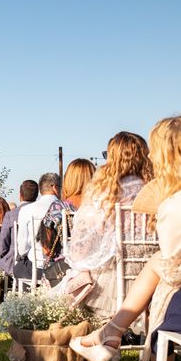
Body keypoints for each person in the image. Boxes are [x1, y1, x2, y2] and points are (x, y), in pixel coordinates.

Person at [71, 115, 181, 361]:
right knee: (157, 263)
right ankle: (115, 335)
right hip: (163, 271)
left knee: (161, 274)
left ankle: (113, 334)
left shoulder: (174, 206)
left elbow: (174, 272)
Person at [56, 132, 153, 318]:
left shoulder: (105, 192)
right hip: (151, 273)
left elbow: (83, 240)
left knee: (78, 274)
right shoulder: (155, 189)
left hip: (115, 273)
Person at [37, 159, 95, 268]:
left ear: (68, 179)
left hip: (67, 268)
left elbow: (47, 249)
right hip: (98, 266)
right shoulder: (102, 205)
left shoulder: (58, 207)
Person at [14, 173, 61, 280]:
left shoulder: (26, 210)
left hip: (37, 268)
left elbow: (22, 249)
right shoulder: (66, 208)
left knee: (17, 269)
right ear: (54, 187)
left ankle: (31, 295)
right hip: (62, 268)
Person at [0, 180, 39, 276]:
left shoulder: (11, 214)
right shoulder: (41, 213)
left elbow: (3, 244)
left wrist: (4, 255)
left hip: (13, 261)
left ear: (20, 195)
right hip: (39, 261)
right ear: (36, 195)